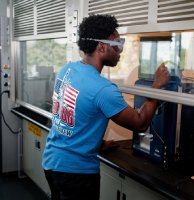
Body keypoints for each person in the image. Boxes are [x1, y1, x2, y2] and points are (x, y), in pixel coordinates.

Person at [42, 14, 170, 200]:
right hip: (77, 173)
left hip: (52, 162)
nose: (121, 50)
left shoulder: (67, 69)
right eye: (117, 43)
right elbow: (141, 123)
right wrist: (156, 88)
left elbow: (73, 117)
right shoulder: (102, 89)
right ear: (101, 47)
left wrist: (97, 143)